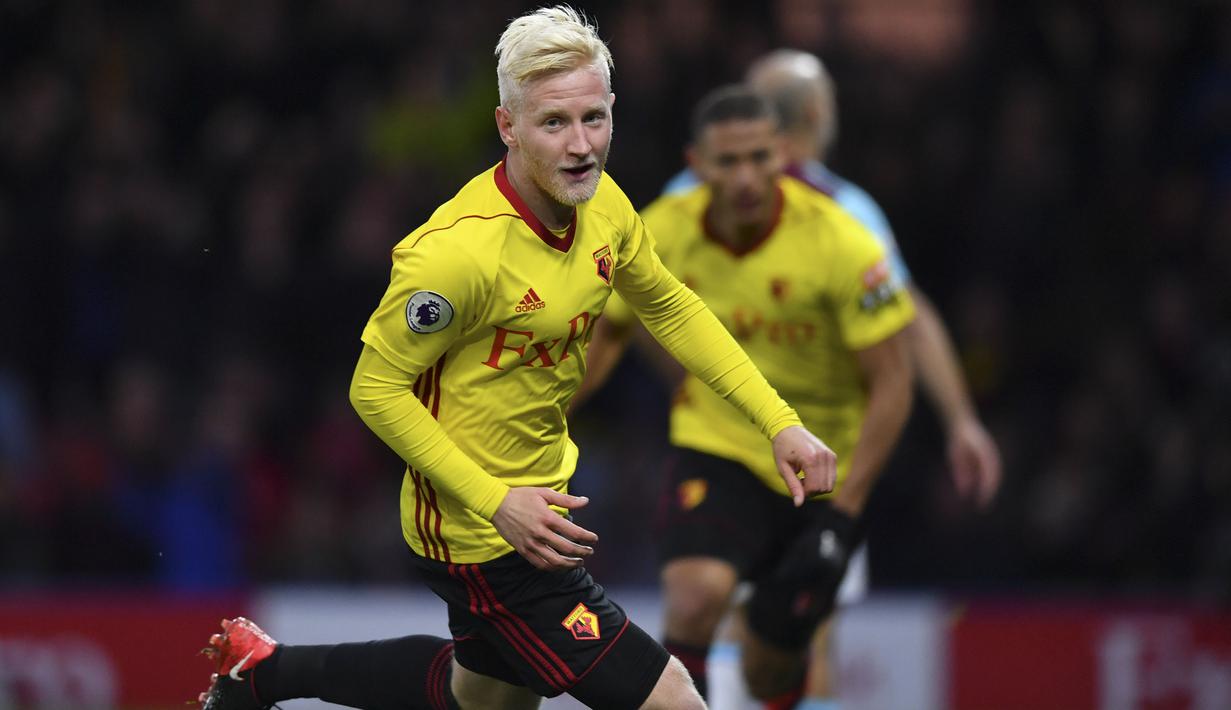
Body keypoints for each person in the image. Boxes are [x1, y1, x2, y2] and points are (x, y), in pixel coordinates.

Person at [195, 7, 840, 710]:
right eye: (553, 123)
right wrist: (497, 503)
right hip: (479, 531)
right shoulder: (457, 253)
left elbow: (671, 308)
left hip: (539, 504)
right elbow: (373, 389)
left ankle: (265, 673)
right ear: (508, 127)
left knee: (480, 697)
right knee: (674, 702)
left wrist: (778, 422)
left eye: (594, 118)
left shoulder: (606, 207)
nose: (580, 146)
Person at [580, 51, 1003, 710]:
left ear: (781, 135)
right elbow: (627, 323)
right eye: (729, 157)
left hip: (820, 462)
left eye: (758, 151)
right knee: (696, 595)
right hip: (721, 445)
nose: (744, 172)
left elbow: (901, 331)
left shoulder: (843, 223)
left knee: (780, 656)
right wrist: (695, 383)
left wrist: (954, 424)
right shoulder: (671, 220)